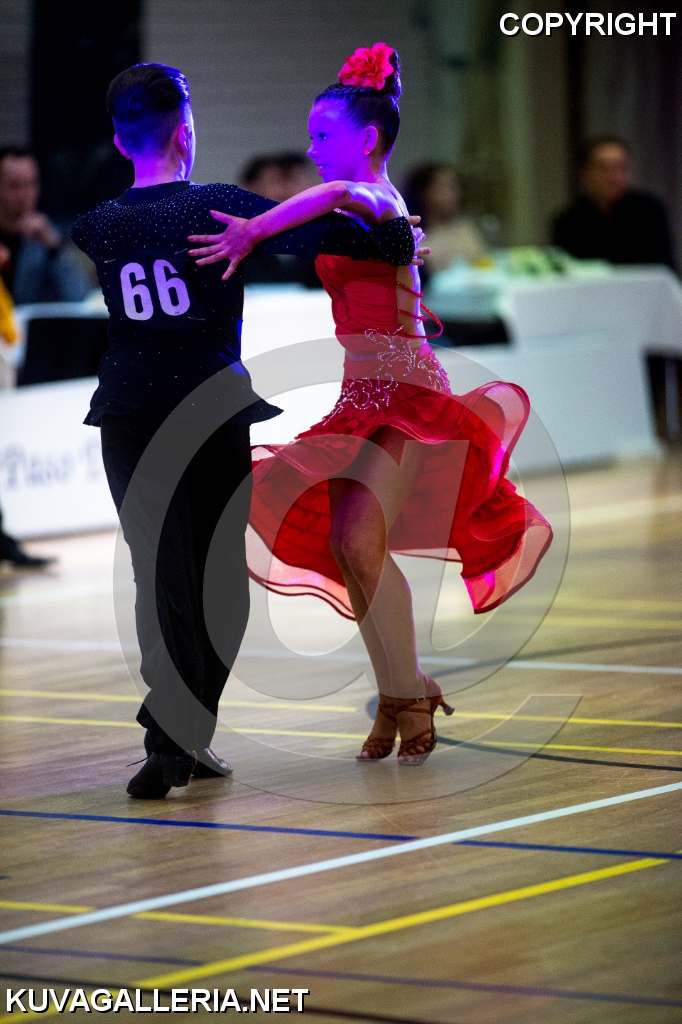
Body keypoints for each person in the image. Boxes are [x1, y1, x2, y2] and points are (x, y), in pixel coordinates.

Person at [189, 43, 552, 766]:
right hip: (362, 396)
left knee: (359, 542)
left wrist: (254, 230)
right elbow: (325, 217)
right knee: (349, 547)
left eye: (322, 135)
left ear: (365, 139)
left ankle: (407, 694)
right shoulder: (371, 217)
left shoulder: (379, 199)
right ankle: (399, 692)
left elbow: (330, 197)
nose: (312, 149)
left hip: (409, 397)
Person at [71, 62, 419, 799]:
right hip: (209, 411)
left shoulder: (96, 226)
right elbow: (364, 243)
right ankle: (176, 738)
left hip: (129, 415)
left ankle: (178, 737)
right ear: (186, 132)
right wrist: (394, 235)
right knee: (220, 584)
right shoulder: (219, 208)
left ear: (119, 140)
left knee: (161, 575)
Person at [552, 136, 676, 270]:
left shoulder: (648, 211)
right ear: (585, 171)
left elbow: (663, 267)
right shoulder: (568, 222)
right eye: (603, 168)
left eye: (620, 167)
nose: (613, 177)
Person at [0, 147, 91, 305]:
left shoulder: (47, 238)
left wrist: (54, 248)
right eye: (14, 186)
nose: (24, 194)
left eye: (31, 184)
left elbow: (80, 296)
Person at [240, 153, 321, 287]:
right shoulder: (230, 250)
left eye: (295, 180)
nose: (287, 189)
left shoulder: (334, 243)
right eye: (275, 181)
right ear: (249, 190)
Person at [403, 162, 486, 275]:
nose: (455, 193)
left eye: (455, 187)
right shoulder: (412, 238)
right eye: (445, 187)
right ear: (424, 193)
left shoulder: (465, 227)